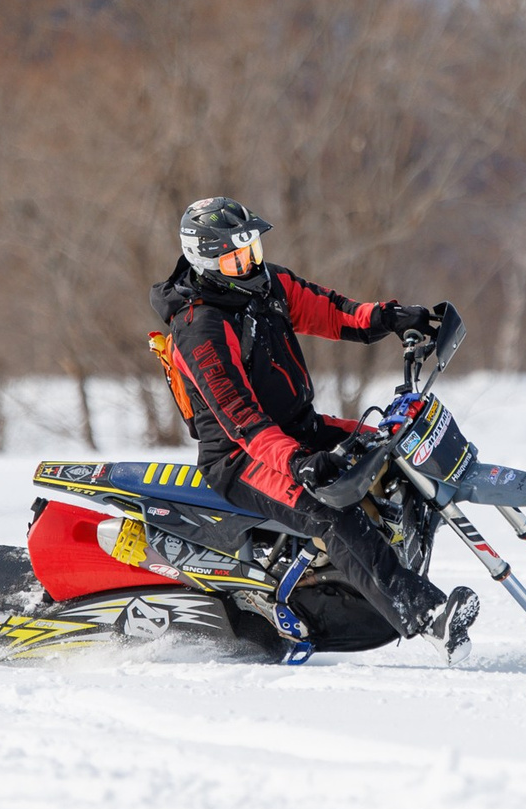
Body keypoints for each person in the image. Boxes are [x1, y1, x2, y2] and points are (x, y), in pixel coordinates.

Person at [152, 197, 479, 661]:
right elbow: (241, 420)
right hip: (242, 458)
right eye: (234, 256)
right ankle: (427, 616)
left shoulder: (266, 285)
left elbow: (331, 310)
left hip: (300, 429)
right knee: (330, 513)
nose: (248, 262)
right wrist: (298, 462)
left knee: (394, 446)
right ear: (204, 259)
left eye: (252, 249)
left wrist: (391, 318)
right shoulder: (200, 327)